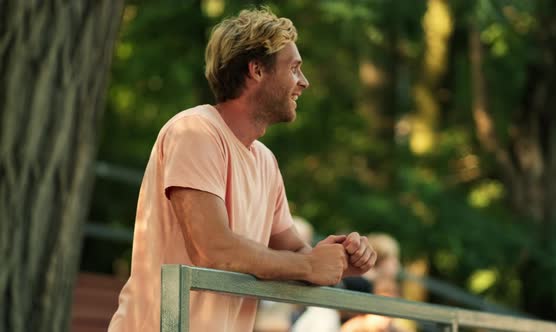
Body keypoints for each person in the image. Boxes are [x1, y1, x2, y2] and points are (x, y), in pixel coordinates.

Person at [108, 7, 377, 332]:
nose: (304, 82)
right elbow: (213, 247)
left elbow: (291, 251)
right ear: (256, 70)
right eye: (294, 69)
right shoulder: (195, 131)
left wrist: (336, 261)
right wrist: (309, 265)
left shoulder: (265, 160)